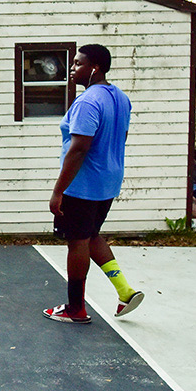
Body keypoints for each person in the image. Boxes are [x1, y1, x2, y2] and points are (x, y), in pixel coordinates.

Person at [44, 44, 144, 324]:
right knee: (91, 235)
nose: (73, 69)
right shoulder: (121, 98)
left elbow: (79, 148)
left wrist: (58, 191)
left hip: (83, 185)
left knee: (77, 242)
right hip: (108, 182)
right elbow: (120, 138)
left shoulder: (88, 102)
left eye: (78, 64)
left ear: (95, 67)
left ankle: (75, 308)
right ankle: (125, 291)